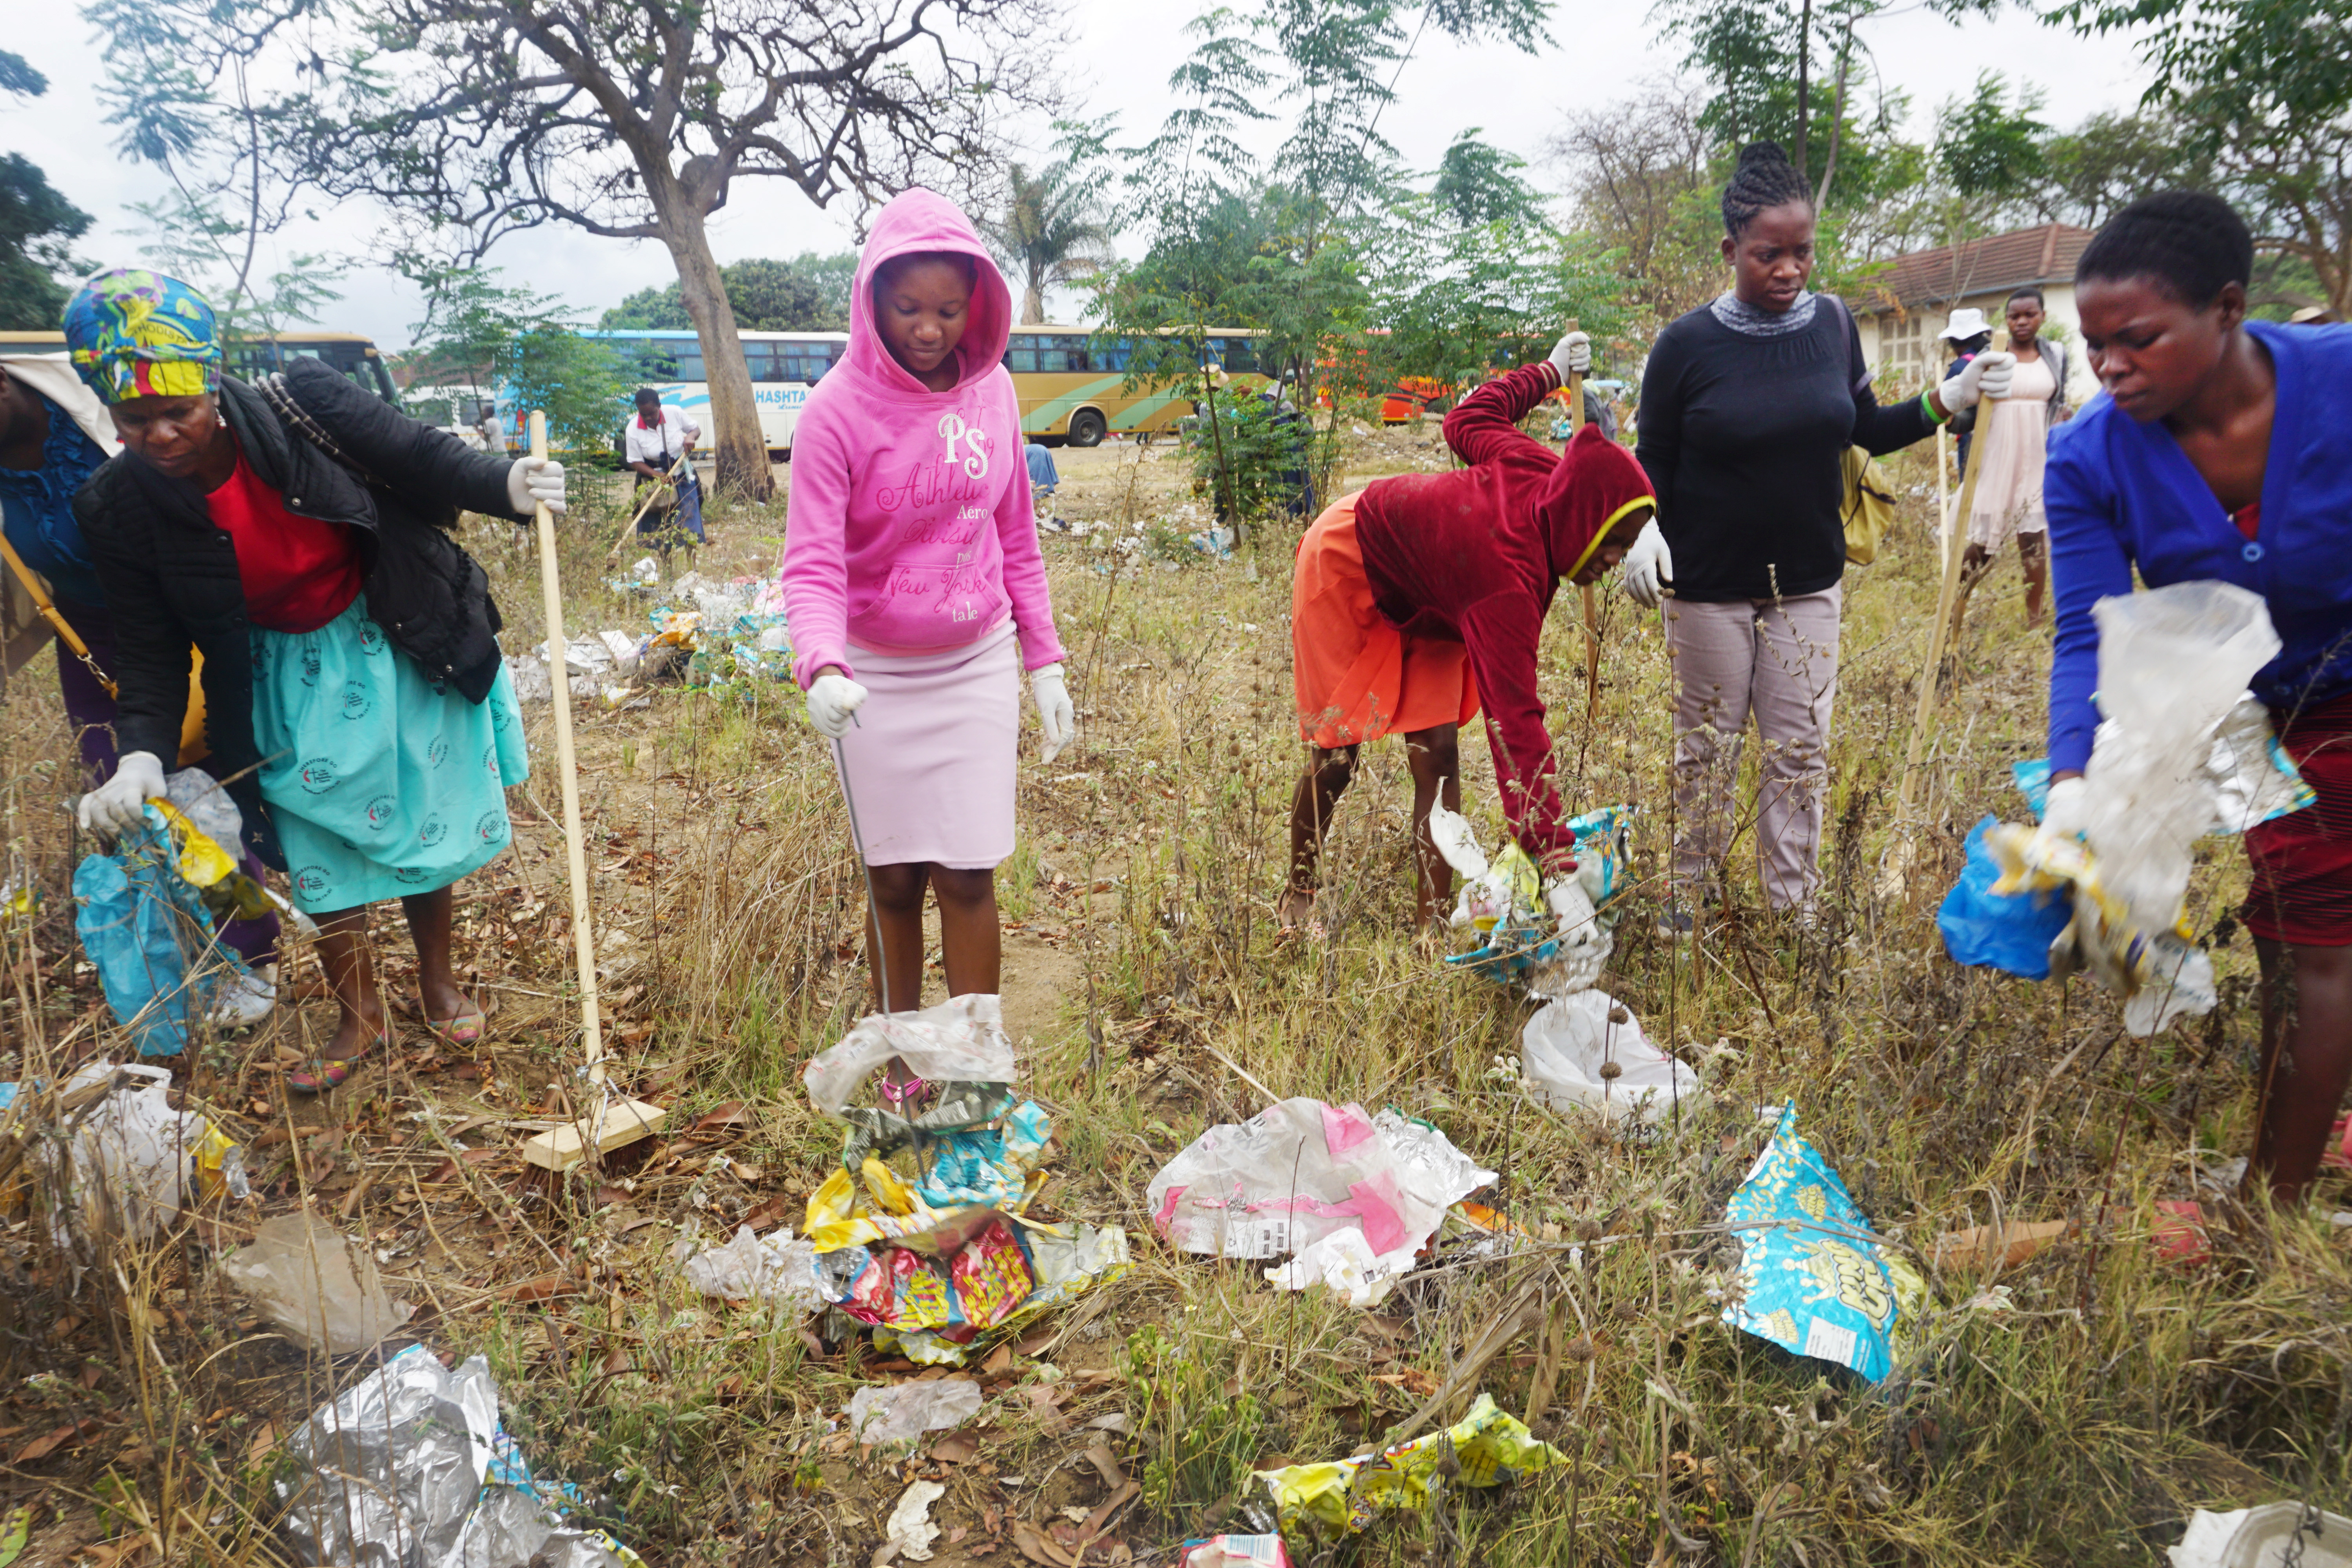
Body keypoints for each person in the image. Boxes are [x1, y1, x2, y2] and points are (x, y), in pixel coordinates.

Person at [66, 268, 566, 1093]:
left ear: (213, 386)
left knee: (419, 815)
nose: (158, 435)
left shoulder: (302, 401)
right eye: (135, 419)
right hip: (271, 671)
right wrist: (142, 752)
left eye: (176, 411)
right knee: (317, 840)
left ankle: (438, 980)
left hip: (392, 633)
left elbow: (418, 452)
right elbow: (150, 646)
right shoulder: (115, 506)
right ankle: (358, 1009)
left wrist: (504, 484)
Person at [2038, 191, 2352, 1207]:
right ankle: (2279, 1179)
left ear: (2226, 309)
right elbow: (2085, 627)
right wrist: (2071, 781)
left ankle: (2271, 1202)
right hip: (2251, 721)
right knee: (2297, 938)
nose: (2111, 368)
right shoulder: (2089, 456)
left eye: (2137, 340)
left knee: (2319, 953)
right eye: (2093, 346)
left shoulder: (2341, 380)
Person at [1631, 141, 2013, 930]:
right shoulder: (1684, 347)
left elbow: (1865, 427)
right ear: (1731, 250)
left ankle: (1793, 911)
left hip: (1808, 578)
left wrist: (1951, 397)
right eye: (1768, 255)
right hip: (1707, 584)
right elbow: (1651, 462)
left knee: (1799, 752)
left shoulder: (1836, 324)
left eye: (1802, 252)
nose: (1789, 270)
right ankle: (1686, 899)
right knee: (1707, 747)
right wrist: (1640, 531)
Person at [781, 189, 1074, 1067]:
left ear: (977, 304)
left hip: (974, 661)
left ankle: (976, 1066)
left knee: (968, 871)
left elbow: (1015, 534)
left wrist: (1044, 660)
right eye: (908, 308)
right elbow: (813, 564)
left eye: (950, 310)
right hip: (872, 673)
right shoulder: (834, 410)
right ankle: (905, 1062)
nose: (929, 329)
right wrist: (821, 665)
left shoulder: (994, 393)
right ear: (872, 300)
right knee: (895, 880)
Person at [1281, 330, 1658, 935]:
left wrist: (1550, 375)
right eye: (1614, 542)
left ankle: (1432, 925)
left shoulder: (1545, 471)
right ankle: (1298, 894)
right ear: (1580, 517)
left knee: (1437, 755)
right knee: (1337, 753)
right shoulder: (1506, 581)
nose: (1615, 561)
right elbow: (1516, 729)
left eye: (1626, 545)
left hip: (1436, 586)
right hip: (1350, 558)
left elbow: (1470, 417)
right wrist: (1555, 864)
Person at [0, 352, 283, 1024]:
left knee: (218, 791)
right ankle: (188, 947)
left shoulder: (98, 403)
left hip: (188, 617)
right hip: (91, 641)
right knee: (136, 800)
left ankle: (253, 956)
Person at [1945, 287, 2074, 624]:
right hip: (1997, 454)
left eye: (2029, 314)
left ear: (2042, 316)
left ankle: (2035, 618)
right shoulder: (1993, 356)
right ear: (2006, 320)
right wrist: (1951, 418)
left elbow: (2058, 403)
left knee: (2033, 539)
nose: (2022, 322)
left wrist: (2064, 420)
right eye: (2014, 316)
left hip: (2037, 455)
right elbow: (1970, 410)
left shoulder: (2056, 355)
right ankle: (1952, 607)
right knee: (1987, 541)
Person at [624, 387, 703, 550]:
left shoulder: (675, 413)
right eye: (643, 414)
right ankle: (666, 563)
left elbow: (695, 429)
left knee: (690, 524)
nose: (648, 418)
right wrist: (657, 475)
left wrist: (690, 437)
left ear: (659, 406)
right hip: (655, 483)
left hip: (682, 477)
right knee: (659, 530)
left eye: (652, 413)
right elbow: (635, 462)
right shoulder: (633, 429)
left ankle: (691, 565)